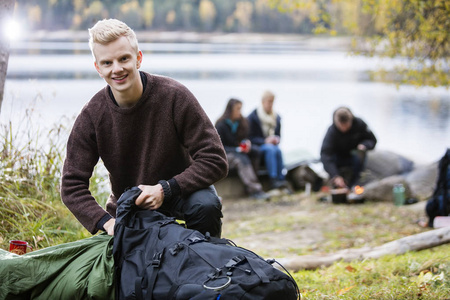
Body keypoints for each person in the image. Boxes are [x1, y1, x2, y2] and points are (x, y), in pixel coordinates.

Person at [61, 19, 228, 238]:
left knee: (206, 204)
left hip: (181, 194)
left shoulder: (174, 97)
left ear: (138, 58)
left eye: (124, 59)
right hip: (132, 205)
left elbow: (215, 159)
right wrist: (105, 222)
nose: (117, 69)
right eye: (107, 63)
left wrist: (165, 189)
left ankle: (207, 266)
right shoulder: (92, 115)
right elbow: (71, 186)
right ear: (98, 69)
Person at [215, 98, 271, 201]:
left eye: (241, 109)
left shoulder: (242, 122)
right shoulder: (220, 124)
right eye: (238, 109)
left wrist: (247, 143)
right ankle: (255, 190)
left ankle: (249, 185)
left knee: (255, 151)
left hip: (239, 152)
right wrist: (237, 149)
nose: (240, 112)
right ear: (230, 109)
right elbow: (219, 147)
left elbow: (245, 138)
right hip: (226, 155)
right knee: (241, 158)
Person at [320, 106, 377, 189]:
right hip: (338, 157)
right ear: (336, 123)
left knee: (360, 155)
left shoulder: (359, 124)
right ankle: (337, 181)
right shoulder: (332, 131)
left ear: (351, 120)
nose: (344, 129)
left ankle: (355, 184)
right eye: (341, 126)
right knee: (330, 160)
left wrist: (364, 145)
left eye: (346, 126)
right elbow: (325, 154)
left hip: (354, 156)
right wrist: (335, 175)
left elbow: (372, 140)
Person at [247, 90, 287, 190]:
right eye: (269, 101)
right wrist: (265, 141)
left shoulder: (276, 117)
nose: (271, 104)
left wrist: (276, 139)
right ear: (263, 101)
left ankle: (281, 179)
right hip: (258, 146)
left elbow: (279, 136)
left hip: (272, 146)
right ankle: (273, 179)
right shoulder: (253, 117)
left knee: (277, 150)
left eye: (272, 102)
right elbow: (250, 138)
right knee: (271, 149)